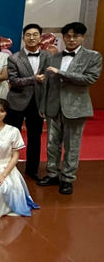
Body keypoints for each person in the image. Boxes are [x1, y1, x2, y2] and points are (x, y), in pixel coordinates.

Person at [38, 22, 102, 195]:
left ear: (82, 37)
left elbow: (89, 79)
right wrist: (43, 105)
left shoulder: (92, 57)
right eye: (68, 36)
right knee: (52, 144)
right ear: (63, 37)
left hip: (76, 108)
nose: (72, 39)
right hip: (53, 106)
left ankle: (67, 178)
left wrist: (61, 73)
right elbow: (47, 84)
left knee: (72, 145)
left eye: (76, 36)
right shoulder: (54, 57)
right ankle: (52, 173)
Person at [5, 24, 49, 180]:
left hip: (37, 102)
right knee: (11, 137)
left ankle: (32, 170)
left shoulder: (47, 57)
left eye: (35, 34)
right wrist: (33, 79)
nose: (32, 38)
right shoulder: (14, 58)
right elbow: (13, 80)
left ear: (40, 37)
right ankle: (8, 168)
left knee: (35, 137)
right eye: (28, 35)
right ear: (23, 37)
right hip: (16, 102)